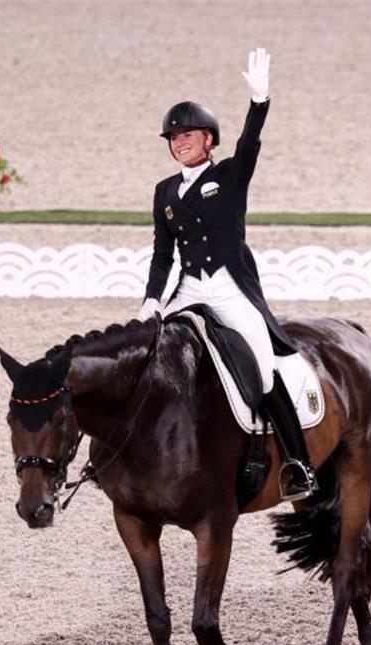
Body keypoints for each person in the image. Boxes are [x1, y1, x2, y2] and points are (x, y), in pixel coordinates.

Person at [137, 48, 316, 501]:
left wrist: (260, 103)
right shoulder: (164, 192)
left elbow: (250, 144)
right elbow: (163, 254)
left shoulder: (232, 176)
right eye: (173, 137)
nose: (180, 142)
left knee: (263, 367)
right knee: (145, 358)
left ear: (209, 141)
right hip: (190, 286)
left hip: (230, 288)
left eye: (189, 135)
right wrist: (153, 300)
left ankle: (298, 463)